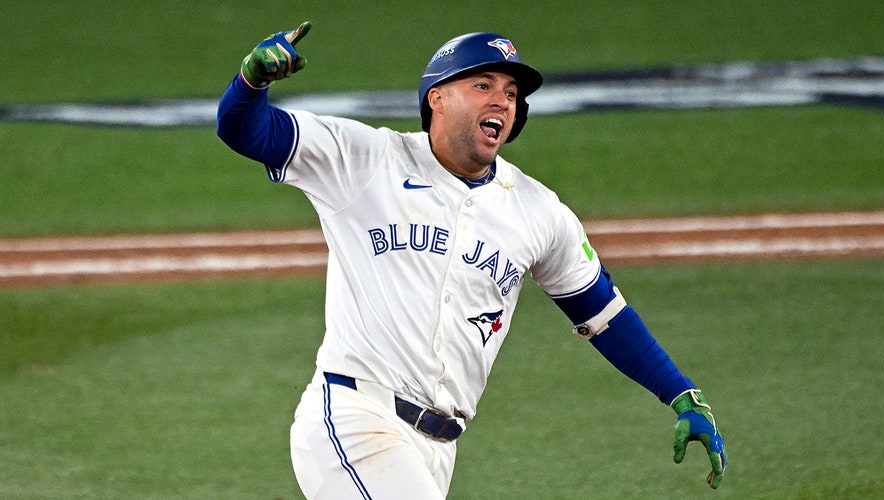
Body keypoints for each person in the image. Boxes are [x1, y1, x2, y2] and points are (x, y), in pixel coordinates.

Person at [217, 21, 726, 499]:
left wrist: (680, 394)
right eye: (483, 85)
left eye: (511, 93)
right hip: (355, 418)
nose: (501, 101)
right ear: (436, 97)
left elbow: (603, 314)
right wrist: (252, 81)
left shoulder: (539, 211)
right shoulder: (365, 158)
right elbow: (246, 131)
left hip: (438, 450)